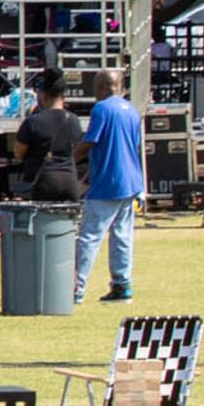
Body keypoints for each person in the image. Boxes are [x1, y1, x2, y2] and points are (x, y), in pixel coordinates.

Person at [74, 65, 144, 305]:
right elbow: (129, 146)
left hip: (108, 182)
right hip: (130, 181)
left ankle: (75, 287)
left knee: (89, 237)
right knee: (122, 236)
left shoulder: (101, 108)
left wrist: (67, 160)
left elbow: (90, 141)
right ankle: (121, 286)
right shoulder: (132, 111)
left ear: (103, 87)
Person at [9, 67, 86, 207]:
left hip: (42, 182)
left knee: (42, 226)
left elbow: (19, 153)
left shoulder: (33, 122)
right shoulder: (74, 120)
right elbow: (77, 149)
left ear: (43, 95)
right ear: (64, 95)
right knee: (69, 228)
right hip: (70, 182)